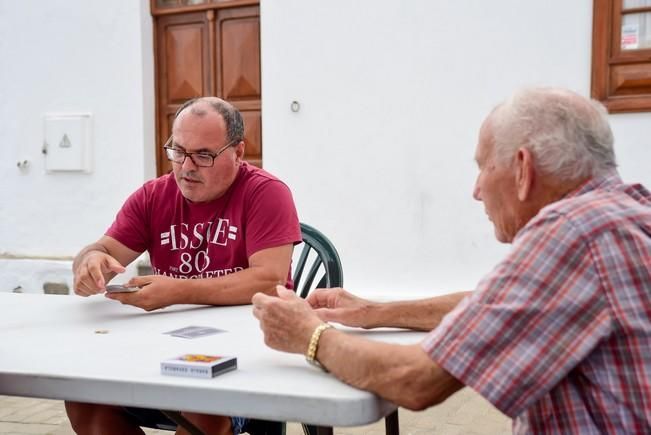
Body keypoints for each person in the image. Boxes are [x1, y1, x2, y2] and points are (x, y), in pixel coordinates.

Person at [252, 87, 651, 434]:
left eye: (482, 167)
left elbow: (415, 380)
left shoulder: (569, 233)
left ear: (523, 169)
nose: (477, 191)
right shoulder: (626, 212)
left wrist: (308, 336)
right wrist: (373, 311)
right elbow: (492, 305)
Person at [67, 97, 302, 435]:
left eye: (203, 155)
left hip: (246, 356)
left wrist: (176, 290)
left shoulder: (266, 193)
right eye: (178, 151)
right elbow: (103, 249)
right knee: (82, 396)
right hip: (161, 348)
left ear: (238, 152)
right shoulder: (153, 196)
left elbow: (269, 280)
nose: (186, 166)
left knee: (201, 406)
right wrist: (90, 262)